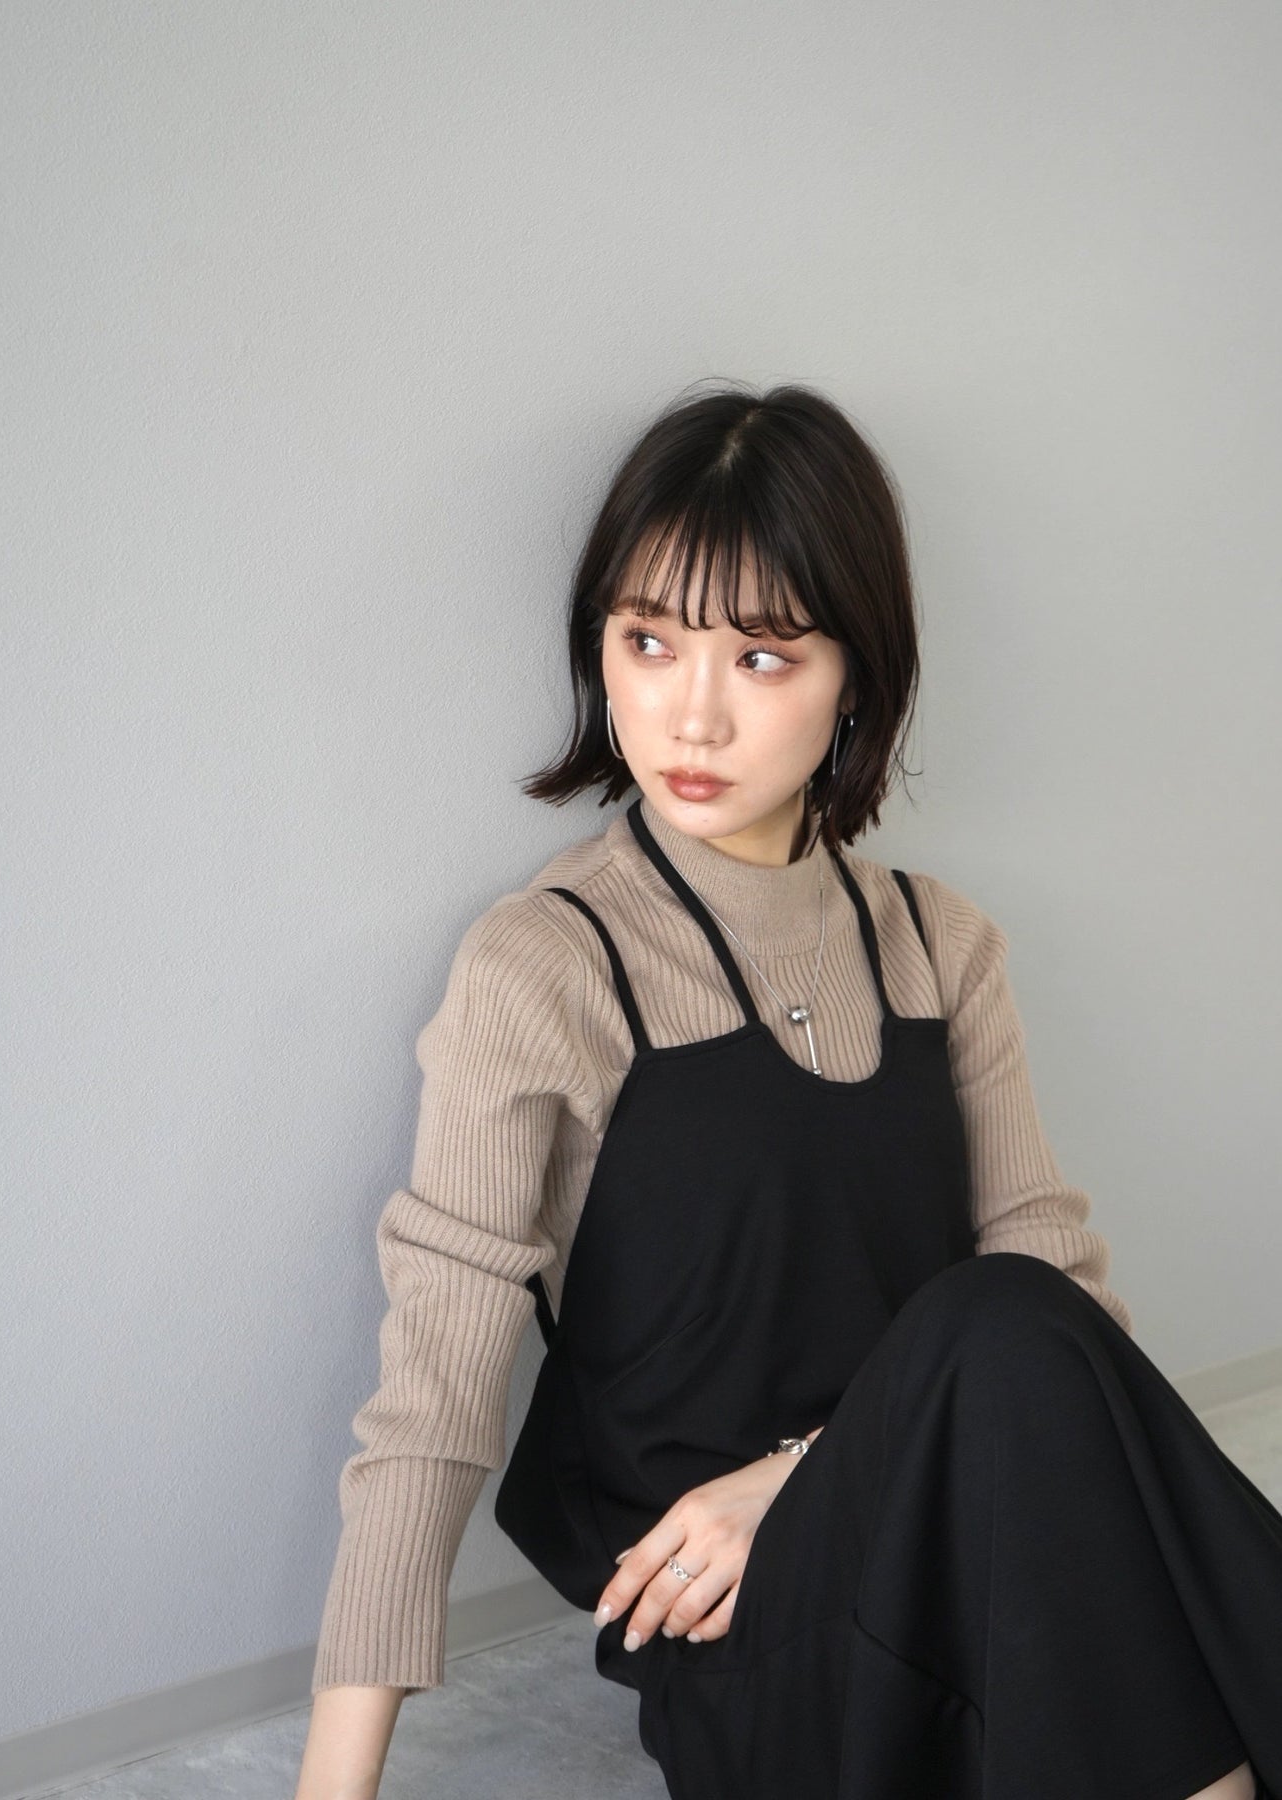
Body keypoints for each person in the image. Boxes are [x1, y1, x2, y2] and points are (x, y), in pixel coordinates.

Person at [295, 384, 1281, 1800]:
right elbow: (430, 1406)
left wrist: (801, 1472)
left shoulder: (942, 944)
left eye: (762, 657)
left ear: (854, 680)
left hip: (980, 1583)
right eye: (648, 641)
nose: (690, 714)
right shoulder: (547, 965)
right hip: (756, 1655)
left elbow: (1066, 1325)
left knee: (1026, 1334)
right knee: (1013, 1340)